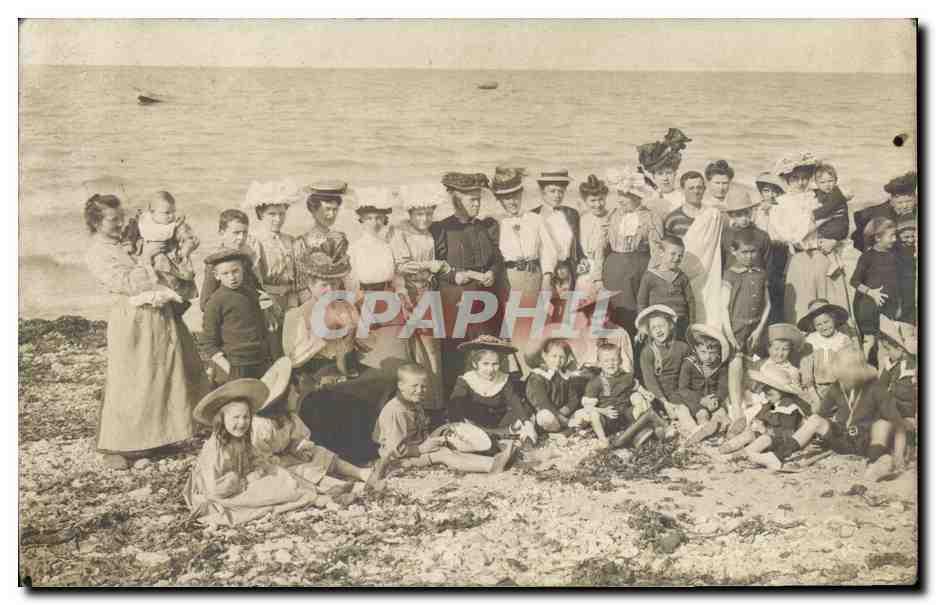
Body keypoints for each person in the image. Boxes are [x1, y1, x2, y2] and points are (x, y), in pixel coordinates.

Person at [84, 194, 210, 470]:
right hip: (130, 317)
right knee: (132, 377)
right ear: (96, 222)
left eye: (120, 218)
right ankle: (122, 444)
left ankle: (160, 436)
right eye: (112, 219)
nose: (119, 224)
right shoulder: (98, 251)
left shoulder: (125, 241)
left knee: (162, 371)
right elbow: (127, 282)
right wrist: (149, 259)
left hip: (156, 312)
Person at [183, 379, 336, 526]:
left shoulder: (241, 439)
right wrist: (246, 481)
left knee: (280, 474)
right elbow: (214, 489)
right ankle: (311, 498)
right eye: (236, 418)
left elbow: (256, 458)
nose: (242, 423)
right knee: (270, 489)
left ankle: (315, 492)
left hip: (243, 480)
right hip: (224, 493)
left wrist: (263, 468)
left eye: (246, 417)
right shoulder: (215, 450)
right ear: (222, 419)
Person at [251, 357, 386, 492]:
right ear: (282, 399)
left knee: (319, 453)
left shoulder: (288, 418)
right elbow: (262, 459)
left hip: (288, 456)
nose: (298, 396)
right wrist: (287, 460)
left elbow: (298, 439)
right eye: (295, 393)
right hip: (273, 466)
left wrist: (299, 449)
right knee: (303, 471)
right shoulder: (262, 425)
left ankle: (362, 473)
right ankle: (342, 486)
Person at [430, 172, 506, 396]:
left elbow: (497, 258)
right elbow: (435, 267)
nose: (476, 204)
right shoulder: (441, 229)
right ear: (456, 200)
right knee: (455, 354)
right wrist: (455, 275)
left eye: (478, 199)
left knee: (485, 351)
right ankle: (455, 403)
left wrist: (492, 271)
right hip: (454, 301)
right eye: (471, 199)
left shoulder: (485, 227)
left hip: (484, 301)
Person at [785, 349, 904, 482]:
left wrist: (899, 455)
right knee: (814, 420)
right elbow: (819, 415)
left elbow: (898, 425)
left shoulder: (876, 388)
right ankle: (780, 455)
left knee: (883, 424)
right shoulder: (837, 386)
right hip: (843, 438)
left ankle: (873, 464)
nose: (843, 380)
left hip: (867, 442)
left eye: (846, 376)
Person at [372, 364, 516, 473]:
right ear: (400, 385)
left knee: (451, 438)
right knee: (444, 454)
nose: (419, 391)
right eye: (414, 386)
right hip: (396, 461)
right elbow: (394, 450)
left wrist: (436, 438)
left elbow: (420, 429)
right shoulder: (396, 411)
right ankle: (490, 465)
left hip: (416, 445)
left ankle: (493, 458)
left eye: (423, 387)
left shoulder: (413, 403)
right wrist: (422, 449)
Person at [388, 185, 451, 424]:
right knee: (412, 349)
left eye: (428, 214)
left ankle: (434, 404)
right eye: (419, 214)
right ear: (410, 214)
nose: (424, 218)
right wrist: (429, 266)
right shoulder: (400, 231)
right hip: (408, 291)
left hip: (427, 290)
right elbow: (400, 265)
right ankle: (413, 405)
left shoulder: (428, 232)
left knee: (432, 348)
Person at [770, 151, 850, 325]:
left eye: (805, 177)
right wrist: (816, 222)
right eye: (795, 178)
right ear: (786, 179)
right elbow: (789, 235)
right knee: (802, 304)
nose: (801, 182)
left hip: (824, 254)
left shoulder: (818, 195)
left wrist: (834, 240)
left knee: (830, 302)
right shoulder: (780, 204)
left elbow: (841, 218)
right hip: (799, 257)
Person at [243, 180, 309, 357]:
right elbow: (253, 280)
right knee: (272, 347)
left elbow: (297, 279)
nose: (278, 219)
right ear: (260, 214)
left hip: (290, 300)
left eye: (281, 213)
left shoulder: (290, 240)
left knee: (294, 347)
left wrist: (295, 304)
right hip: (266, 302)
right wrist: (267, 306)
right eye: (272, 214)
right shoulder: (254, 241)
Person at [603, 165, 664, 335]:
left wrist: (650, 277)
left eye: (626, 195)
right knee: (612, 312)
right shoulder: (613, 215)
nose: (621, 199)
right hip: (613, 270)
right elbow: (601, 247)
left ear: (638, 197)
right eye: (619, 195)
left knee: (636, 314)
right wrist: (596, 276)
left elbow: (657, 252)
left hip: (639, 271)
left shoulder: (651, 217)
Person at [575, 343, 671, 450]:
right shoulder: (595, 382)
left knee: (638, 397)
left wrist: (645, 393)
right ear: (599, 363)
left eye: (614, 360)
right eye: (606, 361)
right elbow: (587, 406)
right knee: (593, 414)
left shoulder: (626, 376)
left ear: (620, 360)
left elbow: (636, 386)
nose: (611, 364)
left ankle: (640, 431)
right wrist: (603, 411)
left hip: (625, 415)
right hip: (608, 418)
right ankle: (603, 440)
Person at [721, 232, 771, 426]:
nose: (749, 256)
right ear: (734, 251)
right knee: (735, 362)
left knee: (754, 363)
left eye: (753, 252)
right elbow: (723, 307)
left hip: (756, 325)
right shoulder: (730, 274)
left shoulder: (760, 273)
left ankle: (749, 399)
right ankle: (736, 407)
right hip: (736, 326)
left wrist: (759, 329)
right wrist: (730, 333)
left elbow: (768, 304)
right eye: (744, 252)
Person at [448, 335, 536, 442]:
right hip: (476, 422)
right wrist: (458, 424)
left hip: (500, 422)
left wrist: (526, 423)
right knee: (459, 410)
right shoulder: (466, 379)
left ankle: (503, 432)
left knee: (524, 410)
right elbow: (456, 403)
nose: (490, 369)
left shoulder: (503, 378)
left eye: (495, 364)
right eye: (485, 364)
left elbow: (514, 401)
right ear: (475, 364)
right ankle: (502, 433)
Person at [202, 249, 273, 382]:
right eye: (225, 273)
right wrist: (228, 369)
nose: (232, 277)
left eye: (235, 271)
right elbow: (208, 343)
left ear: (243, 270)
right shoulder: (215, 302)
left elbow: (260, 327)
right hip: (234, 364)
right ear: (216, 275)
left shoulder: (251, 294)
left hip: (259, 360)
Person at [727, 367, 811, 471]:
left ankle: (745, 455)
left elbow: (789, 432)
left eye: (770, 394)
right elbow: (765, 413)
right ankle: (730, 446)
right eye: (766, 392)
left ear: (782, 392)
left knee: (763, 439)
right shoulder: (773, 404)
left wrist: (766, 430)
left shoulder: (789, 407)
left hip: (782, 440)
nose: (767, 396)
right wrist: (759, 422)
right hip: (768, 434)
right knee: (749, 434)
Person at [490, 167, 547, 305]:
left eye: (515, 196)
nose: (512, 202)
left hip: (534, 277)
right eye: (507, 198)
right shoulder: (494, 223)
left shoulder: (535, 219)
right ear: (500, 200)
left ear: (521, 194)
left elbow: (547, 252)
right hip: (509, 280)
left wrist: (547, 280)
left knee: (535, 321)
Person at [851, 217, 901, 359]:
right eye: (891, 235)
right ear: (878, 237)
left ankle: (885, 375)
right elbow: (854, 281)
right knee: (870, 341)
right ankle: (865, 371)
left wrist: (898, 304)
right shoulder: (867, 257)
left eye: (895, 235)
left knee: (889, 341)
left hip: (888, 306)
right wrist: (872, 293)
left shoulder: (892, 256)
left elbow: (895, 283)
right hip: (868, 306)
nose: (894, 239)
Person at [531, 169, 585, 296]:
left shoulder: (571, 214)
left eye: (561, 191)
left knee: (567, 309)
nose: (557, 195)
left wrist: (581, 261)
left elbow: (577, 244)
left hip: (568, 270)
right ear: (543, 192)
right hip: (544, 273)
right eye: (552, 191)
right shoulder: (532, 215)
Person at [198, 209, 263, 312]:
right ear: (222, 233)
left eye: (244, 233)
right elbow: (205, 304)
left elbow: (257, 289)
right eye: (236, 233)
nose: (241, 238)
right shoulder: (215, 262)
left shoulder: (246, 258)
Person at [798, 299, 858, 409]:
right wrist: (813, 393)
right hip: (816, 388)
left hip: (840, 387)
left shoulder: (843, 340)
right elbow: (806, 367)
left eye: (826, 322)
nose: (824, 327)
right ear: (814, 326)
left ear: (834, 320)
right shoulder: (811, 341)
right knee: (815, 410)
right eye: (819, 324)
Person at [677, 324, 731, 445]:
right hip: (695, 399)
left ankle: (721, 430)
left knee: (721, 413)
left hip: (713, 399)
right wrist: (701, 400)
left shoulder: (720, 366)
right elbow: (683, 389)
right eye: (703, 352)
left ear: (718, 351)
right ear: (695, 349)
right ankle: (705, 431)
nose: (707, 357)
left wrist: (717, 398)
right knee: (702, 414)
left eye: (712, 352)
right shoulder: (689, 364)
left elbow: (723, 387)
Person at [636, 305, 691, 420]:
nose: (658, 330)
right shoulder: (648, 352)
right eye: (653, 328)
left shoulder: (683, 347)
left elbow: (690, 372)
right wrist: (664, 402)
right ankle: (691, 428)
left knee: (697, 406)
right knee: (682, 411)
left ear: (670, 325)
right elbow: (650, 382)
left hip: (682, 390)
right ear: (649, 332)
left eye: (661, 326)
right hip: (660, 396)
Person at [299, 181, 352, 296]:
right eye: (327, 209)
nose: (331, 215)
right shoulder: (302, 241)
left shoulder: (340, 238)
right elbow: (300, 277)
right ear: (313, 210)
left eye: (335, 210)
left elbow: (344, 274)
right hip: (310, 295)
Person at [637, 235, 694, 340]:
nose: (677, 258)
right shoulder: (650, 276)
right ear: (661, 252)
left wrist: (692, 324)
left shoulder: (682, 277)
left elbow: (690, 301)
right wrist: (642, 326)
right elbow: (642, 302)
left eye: (680, 255)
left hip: (680, 323)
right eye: (673, 254)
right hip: (658, 324)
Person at [877, 317, 917, 469]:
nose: (887, 353)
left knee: (899, 424)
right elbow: (881, 386)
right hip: (895, 408)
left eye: (889, 349)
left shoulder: (913, 368)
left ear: (900, 348)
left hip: (909, 413)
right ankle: (885, 451)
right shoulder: (892, 364)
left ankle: (900, 458)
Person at [753, 171, 788, 325]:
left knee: (776, 287)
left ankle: (776, 322)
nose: (771, 195)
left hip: (778, 250)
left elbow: (785, 233)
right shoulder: (756, 210)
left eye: (775, 191)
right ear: (761, 192)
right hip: (760, 252)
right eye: (767, 190)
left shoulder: (782, 209)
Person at [524, 337, 580, 433]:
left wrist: (566, 409)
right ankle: (562, 430)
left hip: (563, 414)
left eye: (562, 357)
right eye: (554, 356)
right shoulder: (537, 377)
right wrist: (564, 420)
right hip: (547, 415)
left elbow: (573, 399)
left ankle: (566, 429)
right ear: (545, 356)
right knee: (545, 416)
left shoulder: (564, 375)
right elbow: (543, 404)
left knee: (583, 413)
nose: (558, 361)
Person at [852, 171, 917, 253]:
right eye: (900, 202)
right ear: (892, 201)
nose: (905, 206)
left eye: (909, 201)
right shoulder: (882, 216)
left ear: (915, 199)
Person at [637, 128, 693, 216]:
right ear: (653, 176)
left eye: (669, 173)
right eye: (660, 174)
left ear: (675, 174)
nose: (665, 178)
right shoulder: (647, 198)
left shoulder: (683, 198)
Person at [576, 174, 613, 303]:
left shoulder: (612, 218)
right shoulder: (581, 219)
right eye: (593, 200)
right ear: (585, 200)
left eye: (601, 199)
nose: (598, 204)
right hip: (584, 270)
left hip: (606, 268)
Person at [720, 187, 771, 272]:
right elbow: (721, 263)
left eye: (747, 213)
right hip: (731, 282)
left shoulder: (762, 236)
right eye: (739, 215)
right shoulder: (725, 235)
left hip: (755, 281)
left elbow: (769, 265)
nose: (744, 218)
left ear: (751, 211)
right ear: (731, 215)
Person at [663, 171, 706, 239]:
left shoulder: (713, 216)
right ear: (682, 190)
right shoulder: (672, 219)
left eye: (699, 187)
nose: (696, 191)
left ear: (704, 189)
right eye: (691, 188)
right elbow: (668, 247)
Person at [895, 214, 917, 324]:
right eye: (906, 237)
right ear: (899, 236)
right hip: (903, 285)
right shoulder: (897, 251)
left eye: (913, 236)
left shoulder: (912, 248)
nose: (911, 240)